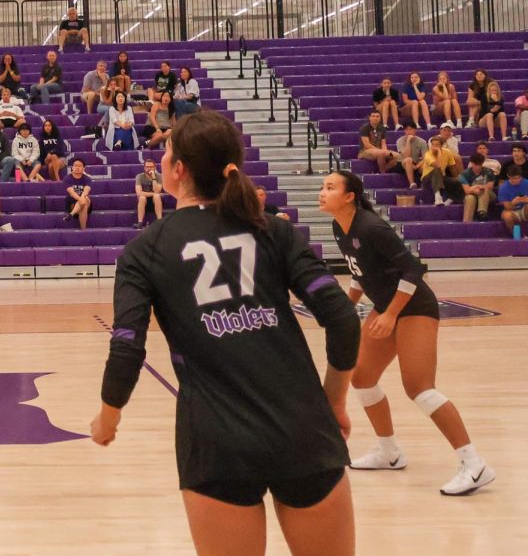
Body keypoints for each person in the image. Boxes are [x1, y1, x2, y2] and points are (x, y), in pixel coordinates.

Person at [95, 112, 360, 555]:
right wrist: (333, 401)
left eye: (165, 153)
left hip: (216, 441)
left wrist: (108, 417)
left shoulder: (145, 250)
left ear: (179, 169)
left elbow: (127, 349)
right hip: (303, 429)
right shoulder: (272, 229)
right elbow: (343, 319)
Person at [320, 170, 493, 496]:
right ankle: (389, 452)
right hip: (387, 306)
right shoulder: (339, 227)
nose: (322, 192)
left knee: (419, 387)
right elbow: (360, 275)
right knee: (362, 377)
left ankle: (474, 464)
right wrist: (346, 308)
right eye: (322, 187)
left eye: (330, 187)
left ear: (349, 197)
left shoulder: (372, 227)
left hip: (413, 306)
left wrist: (390, 314)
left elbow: (414, 269)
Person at [420, 136, 461, 206]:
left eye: (437, 145)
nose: (434, 147)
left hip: (441, 177)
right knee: (436, 170)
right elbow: (438, 165)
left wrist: (456, 177)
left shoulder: (447, 152)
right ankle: (437, 196)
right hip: (427, 179)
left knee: (459, 181)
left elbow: (452, 167)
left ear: (441, 145)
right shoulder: (428, 154)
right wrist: (439, 151)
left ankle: (449, 200)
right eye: (433, 145)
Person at [458, 153, 497, 223]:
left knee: (484, 191)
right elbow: (467, 190)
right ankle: (467, 222)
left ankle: (482, 213)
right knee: (470, 198)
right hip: (471, 194)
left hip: (487, 195)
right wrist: (475, 188)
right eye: (476, 165)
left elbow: (490, 186)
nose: (478, 167)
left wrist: (479, 187)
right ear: (472, 163)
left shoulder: (489, 172)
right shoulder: (464, 174)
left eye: (480, 164)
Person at [62, 158, 93, 229]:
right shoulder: (67, 178)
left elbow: (86, 191)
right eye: (75, 165)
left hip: (85, 201)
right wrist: (81, 199)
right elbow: (72, 193)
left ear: (83, 168)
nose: (77, 167)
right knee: (84, 203)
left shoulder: (87, 179)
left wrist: (82, 198)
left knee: (85, 199)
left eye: (79, 166)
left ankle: (71, 215)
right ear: (72, 167)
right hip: (71, 202)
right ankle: (83, 230)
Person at [396, 122, 427, 189]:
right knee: (408, 160)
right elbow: (407, 155)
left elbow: (425, 158)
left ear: (415, 130)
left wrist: (417, 166)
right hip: (402, 163)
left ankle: (425, 185)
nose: (409, 131)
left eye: (411, 129)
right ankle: (412, 183)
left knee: (426, 164)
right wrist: (408, 141)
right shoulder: (400, 141)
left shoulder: (422, 142)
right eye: (406, 130)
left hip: (416, 163)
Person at [498, 166, 528, 234]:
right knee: (507, 216)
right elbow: (508, 207)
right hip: (511, 211)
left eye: (518, 178)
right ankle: (517, 235)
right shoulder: (504, 188)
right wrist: (513, 203)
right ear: (509, 176)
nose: (517, 180)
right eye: (514, 178)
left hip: (524, 208)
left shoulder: (526, 183)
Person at [134, 159, 163, 228]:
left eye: (151, 167)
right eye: (147, 167)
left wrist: (153, 178)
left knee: (157, 196)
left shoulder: (159, 176)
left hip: (155, 201)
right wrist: (154, 194)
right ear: (144, 168)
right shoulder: (139, 176)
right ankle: (140, 223)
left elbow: (157, 190)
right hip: (144, 201)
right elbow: (139, 192)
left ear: (155, 168)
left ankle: (160, 221)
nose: (149, 168)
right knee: (142, 197)